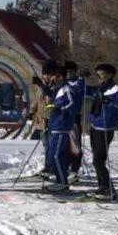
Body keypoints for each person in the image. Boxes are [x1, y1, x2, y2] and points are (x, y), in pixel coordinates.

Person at [85, 63, 118, 198]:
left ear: (110, 75)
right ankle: (102, 186)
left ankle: (109, 188)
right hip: (95, 126)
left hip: (106, 128)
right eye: (98, 75)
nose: (100, 78)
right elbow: (82, 90)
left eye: (102, 75)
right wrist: (81, 79)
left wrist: (108, 102)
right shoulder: (100, 89)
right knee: (97, 160)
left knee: (98, 160)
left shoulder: (116, 90)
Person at [42, 61, 77, 192]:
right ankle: (60, 179)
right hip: (54, 125)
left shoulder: (66, 88)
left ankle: (62, 181)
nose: (52, 78)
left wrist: (58, 106)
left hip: (61, 126)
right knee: (55, 155)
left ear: (60, 76)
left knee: (54, 156)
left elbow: (72, 103)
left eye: (54, 76)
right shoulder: (57, 88)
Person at [63, 61, 88, 181]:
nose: (68, 74)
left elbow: (80, 93)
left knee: (75, 145)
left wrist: (82, 78)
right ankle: (64, 168)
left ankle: (74, 170)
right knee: (63, 145)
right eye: (66, 72)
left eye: (71, 72)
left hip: (73, 118)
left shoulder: (77, 82)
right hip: (62, 118)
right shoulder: (63, 82)